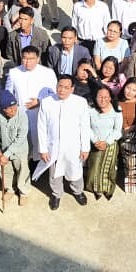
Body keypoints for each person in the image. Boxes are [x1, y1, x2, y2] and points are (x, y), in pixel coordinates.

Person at [33, 76, 94, 210]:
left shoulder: (80, 102)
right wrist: (43, 149)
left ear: (72, 89)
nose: (62, 90)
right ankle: (56, 194)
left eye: (66, 87)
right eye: (60, 86)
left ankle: (77, 191)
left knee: (75, 170)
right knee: (54, 173)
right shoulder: (47, 102)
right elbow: (41, 127)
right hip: (53, 146)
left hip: (73, 146)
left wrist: (85, 147)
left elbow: (85, 126)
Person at [84, 88, 124, 201]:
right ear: (95, 98)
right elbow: (86, 127)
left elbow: (117, 130)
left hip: (110, 143)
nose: (103, 100)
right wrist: (95, 141)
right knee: (95, 167)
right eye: (100, 97)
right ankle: (96, 188)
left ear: (110, 98)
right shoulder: (90, 109)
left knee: (108, 168)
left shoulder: (117, 109)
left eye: (106, 97)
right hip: (95, 143)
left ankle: (108, 188)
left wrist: (106, 142)